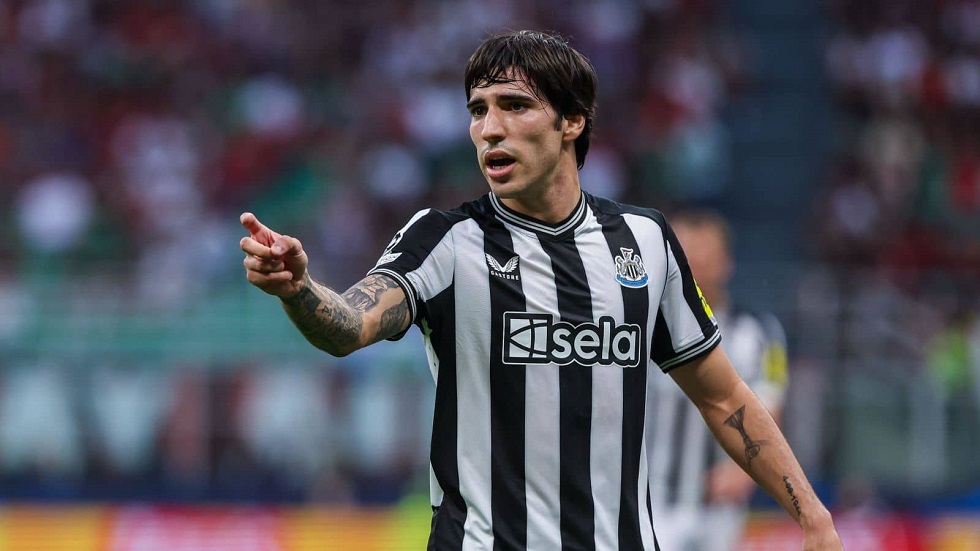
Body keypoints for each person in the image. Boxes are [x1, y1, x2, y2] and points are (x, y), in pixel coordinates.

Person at [240, 30, 843, 550]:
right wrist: (299, 289)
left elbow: (724, 398)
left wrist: (813, 516)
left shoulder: (646, 242)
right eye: (478, 110)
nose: (490, 129)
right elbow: (349, 325)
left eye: (514, 106)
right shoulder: (446, 241)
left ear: (572, 120)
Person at [647, 208, 790, 551]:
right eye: (686, 258)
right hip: (649, 500)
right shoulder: (641, 325)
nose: (694, 268)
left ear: (727, 263)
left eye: (705, 258)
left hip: (719, 509)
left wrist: (743, 472)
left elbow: (770, 404)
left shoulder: (762, 333)